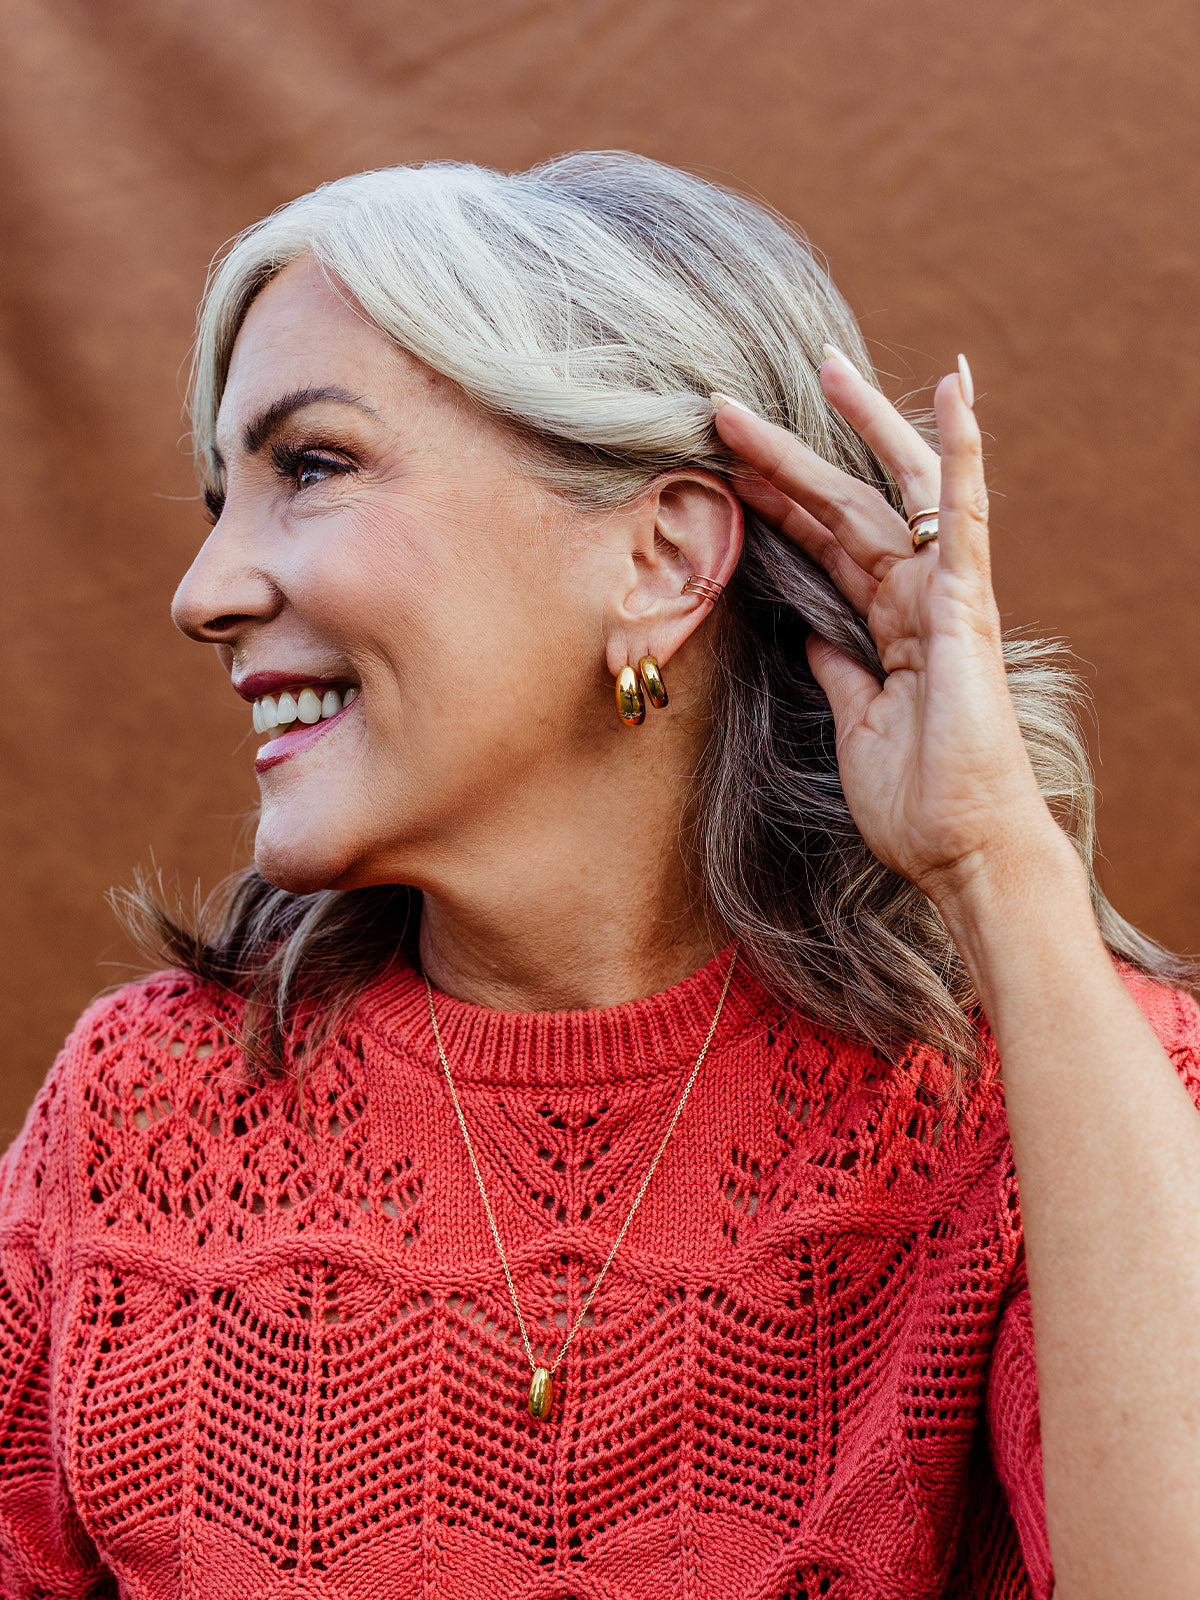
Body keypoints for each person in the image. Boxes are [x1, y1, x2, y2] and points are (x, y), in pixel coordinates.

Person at [1, 152, 1197, 1600]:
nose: (206, 591)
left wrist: (1001, 865)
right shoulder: (142, 1117)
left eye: (309, 467)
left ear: (656, 556)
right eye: (218, 496)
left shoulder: (1063, 1102)